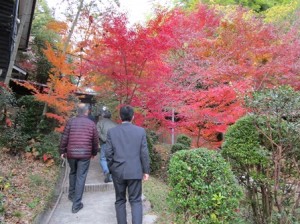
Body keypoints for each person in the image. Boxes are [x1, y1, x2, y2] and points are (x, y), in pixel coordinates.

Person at [106, 105, 150, 224]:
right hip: (135, 171)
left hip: (118, 171)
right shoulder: (140, 131)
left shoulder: (112, 132)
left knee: (120, 200)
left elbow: (108, 153)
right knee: (135, 201)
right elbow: (144, 153)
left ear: (120, 117)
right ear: (133, 117)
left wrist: (111, 169)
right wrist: (146, 171)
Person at [59, 103, 99, 213]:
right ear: (87, 112)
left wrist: (62, 151)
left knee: (73, 172)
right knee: (81, 176)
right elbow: (95, 141)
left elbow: (64, 137)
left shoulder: (71, 121)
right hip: (85, 155)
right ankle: (76, 205)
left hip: (71, 153)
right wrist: (94, 153)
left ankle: (71, 195)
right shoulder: (91, 124)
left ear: (78, 112)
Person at [96, 109, 117, 183]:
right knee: (112, 159)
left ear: (103, 116)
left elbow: (97, 133)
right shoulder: (115, 124)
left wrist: (103, 138)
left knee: (103, 158)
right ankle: (111, 176)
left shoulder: (100, 123)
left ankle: (106, 171)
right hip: (114, 144)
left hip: (104, 143)